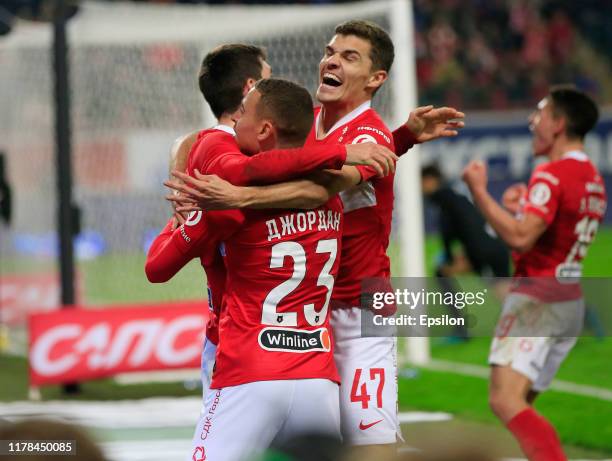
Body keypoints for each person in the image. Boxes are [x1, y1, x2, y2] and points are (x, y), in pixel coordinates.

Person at [167, 20, 464, 455]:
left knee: (368, 445)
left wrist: (237, 196)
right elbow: (219, 138)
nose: (331, 60)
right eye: (330, 51)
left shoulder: (366, 132)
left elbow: (320, 189)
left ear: (376, 79)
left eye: (349, 56)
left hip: (363, 308)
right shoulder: (311, 123)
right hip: (315, 311)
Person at [148, 78, 347, 461]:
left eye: (245, 112)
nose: (236, 120)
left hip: (250, 371)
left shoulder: (231, 204)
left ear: (265, 129)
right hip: (318, 378)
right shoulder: (327, 195)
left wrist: (181, 217)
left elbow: (157, 267)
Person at [462, 85, 606, 461]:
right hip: (569, 302)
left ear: (558, 124)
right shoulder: (592, 177)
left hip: (536, 301)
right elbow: (547, 237)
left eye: (540, 113)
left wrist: (478, 192)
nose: (532, 121)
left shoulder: (551, 174)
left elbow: (522, 238)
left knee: (505, 400)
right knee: (522, 401)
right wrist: (522, 206)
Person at [421, 164, 510, 339]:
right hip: (490, 248)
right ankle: (460, 329)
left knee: (509, 297)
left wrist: (462, 257)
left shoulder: (444, 199)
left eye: (422, 183)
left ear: (430, 181)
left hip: (485, 253)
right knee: (442, 274)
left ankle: (556, 322)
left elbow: (458, 230)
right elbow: (465, 227)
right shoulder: (452, 197)